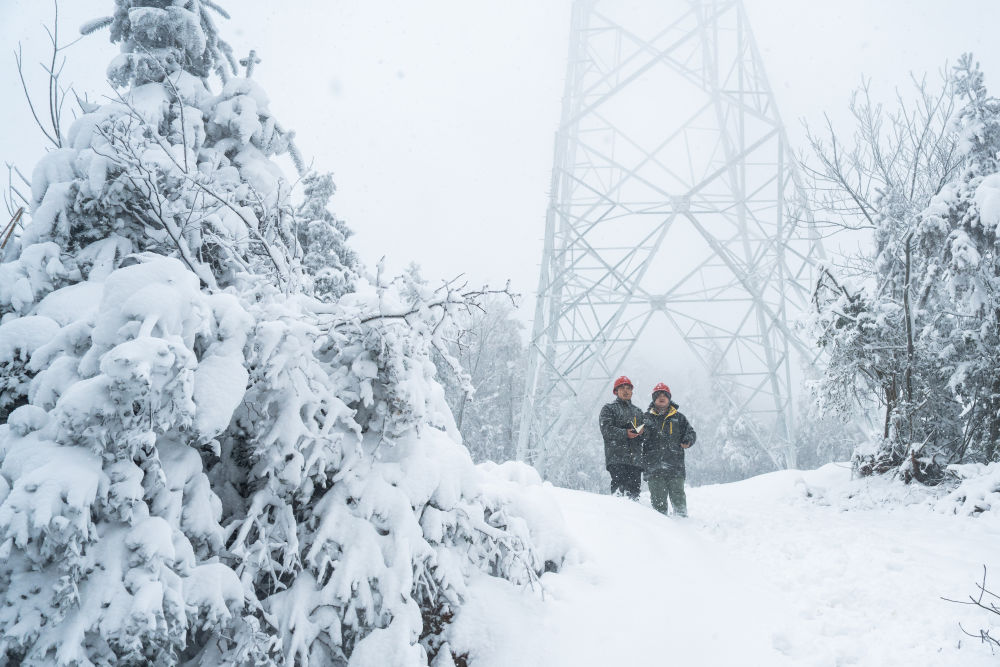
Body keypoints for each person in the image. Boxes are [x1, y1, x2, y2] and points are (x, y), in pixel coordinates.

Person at [641, 382, 696, 516]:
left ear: (669, 398)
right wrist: (639, 433)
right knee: (658, 503)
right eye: (658, 395)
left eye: (665, 395)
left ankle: (684, 524)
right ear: (654, 399)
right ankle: (662, 529)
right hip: (653, 467)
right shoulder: (645, 418)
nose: (662, 397)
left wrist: (688, 440)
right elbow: (634, 434)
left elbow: (691, 433)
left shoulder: (679, 418)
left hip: (675, 466)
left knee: (679, 499)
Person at [599, 375, 645, 499]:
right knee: (619, 494)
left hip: (635, 460)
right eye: (622, 388)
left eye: (628, 388)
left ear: (632, 391)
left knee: (634, 495)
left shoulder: (639, 412)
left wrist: (642, 433)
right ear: (616, 391)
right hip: (617, 457)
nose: (626, 391)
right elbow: (606, 429)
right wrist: (625, 433)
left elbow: (645, 436)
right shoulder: (609, 409)